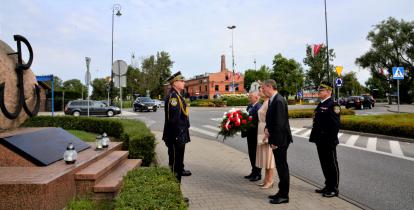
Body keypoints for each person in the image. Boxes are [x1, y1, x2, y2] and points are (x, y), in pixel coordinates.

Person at [262, 79, 292, 204]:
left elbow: (280, 124)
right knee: (280, 167)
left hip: (280, 140)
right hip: (276, 138)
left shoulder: (279, 100)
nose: (263, 90)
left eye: (264, 88)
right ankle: (281, 192)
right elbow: (272, 120)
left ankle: (284, 195)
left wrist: (275, 141)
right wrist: (267, 128)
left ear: (270, 87)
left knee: (282, 167)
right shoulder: (273, 100)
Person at [309, 81, 341, 198]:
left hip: (328, 141)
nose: (319, 92)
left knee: (331, 164)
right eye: (319, 90)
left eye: (321, 90)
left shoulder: (333, 105)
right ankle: (328, 185)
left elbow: (335, 126)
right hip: (320, 140)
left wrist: (330, 141)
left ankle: (334, 188)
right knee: (324, 164)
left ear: (328, 92)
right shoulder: (321, 104)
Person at [162, 71, 191, 186]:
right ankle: (175, 195)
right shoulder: (173, 98)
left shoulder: (178, 96)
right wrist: (178, 137)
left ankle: (176, 193)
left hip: (179, 136)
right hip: (175, 137)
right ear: (174, 83)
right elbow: (173, 120)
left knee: (178, 166)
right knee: (175, 166)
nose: (184, 82)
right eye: (181, 81)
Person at [255, 85, 276, 189]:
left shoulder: (270, 102)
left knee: (269, 157)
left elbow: (271, 120)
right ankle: (266, 179)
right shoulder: (264, 102)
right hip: (261, 129)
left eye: (262, 90)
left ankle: (270, 180)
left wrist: (268, 134)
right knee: (264, 157)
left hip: (266, 131)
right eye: (260, 90)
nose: (260, 92)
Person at [241, 91, 262, 181]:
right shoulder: (249, 106)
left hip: (256, 134)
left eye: (250, 97)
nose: (249, 98)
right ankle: (253, 171)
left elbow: (259, 121)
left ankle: (258, 174)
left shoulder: (259, 107)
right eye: (249, 97)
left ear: (256, 98)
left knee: (256, 154)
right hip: (249, 134)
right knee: (251, 153)